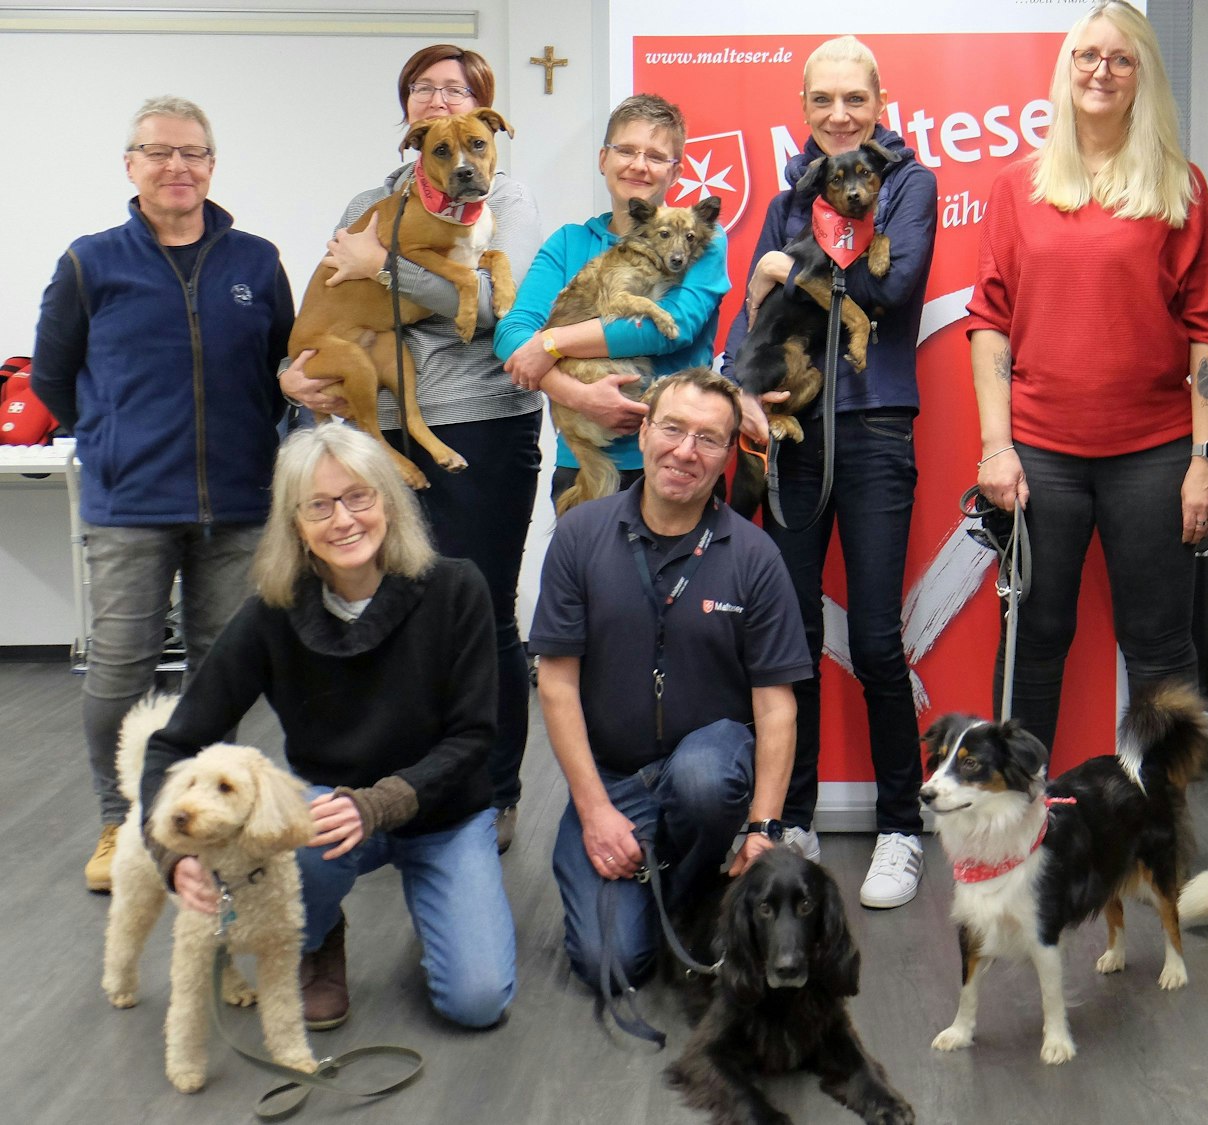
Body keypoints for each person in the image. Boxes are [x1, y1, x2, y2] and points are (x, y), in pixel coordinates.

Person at [140, 422, 512, 1031]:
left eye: (359, 497)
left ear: (389, 503)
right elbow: (176, 743)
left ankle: (439, 909)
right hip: (329, 819)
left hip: (443, 812)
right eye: (319, 505)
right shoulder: (270, 613)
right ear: (295, 525)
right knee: (300, 836)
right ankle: (318, 934)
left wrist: (379, 804)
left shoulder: (457, 589)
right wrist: (170, 854)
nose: (343, 520)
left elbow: (474, 738)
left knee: (477, 1002)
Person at [278, 44, 543, 853]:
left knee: (485, 610)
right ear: (407, 121)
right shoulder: (373, 198)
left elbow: (504, 311)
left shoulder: (509, 199)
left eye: (454, 90)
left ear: (485, 114)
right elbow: (330, 299)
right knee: (393, 608)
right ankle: (404, 793)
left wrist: (389, 265)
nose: (437, 100)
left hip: (483, 420)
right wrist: (291, 378)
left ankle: (493, 791)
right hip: (380, 429)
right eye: (422, 91)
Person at [32, 96, 293, 892]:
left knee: (221, 671)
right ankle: (120, 820)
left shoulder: (256, 261)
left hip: (239, 504)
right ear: (131, 165)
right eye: (158, 152)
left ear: (212, 166)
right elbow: (51, 374)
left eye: (192, 153)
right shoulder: (91, 262)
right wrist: (111, 441)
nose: (176, 166)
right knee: (119, 670)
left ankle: (207, 822)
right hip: (129, 505)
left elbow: (285, 369)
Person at [967, 0, 1208, 754]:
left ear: (1142, 73)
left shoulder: (1183, 187)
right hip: (1040, 450)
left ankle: (1159, 831)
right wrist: (995, 445)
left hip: (1152, 453)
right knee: (1035, 639)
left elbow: (1207, 336)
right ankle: (1014, 825)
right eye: (1087, 55)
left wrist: (1206, 463)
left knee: (1159, 644)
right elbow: (990, 322)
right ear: (1066, 69)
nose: (1101, 71)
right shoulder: (1020, 187)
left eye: (1120, 57)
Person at [719, 35, 939, 908]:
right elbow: (758, 315)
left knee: (879, 639)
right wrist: (743, 375)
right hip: (797, 431)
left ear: (880, 102)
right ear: (803, 108)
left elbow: (895, 288)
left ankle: (899, 826)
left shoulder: (909, 184)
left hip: (878, 427)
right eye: (822, 102)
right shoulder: (785, 198)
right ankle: (795, 816)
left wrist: (790, 265)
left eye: (854, 99)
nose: (839, 115)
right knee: (793, 637)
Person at [529, 369, 811, 987]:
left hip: (707, 764)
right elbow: (556, 685)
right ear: (645, 429)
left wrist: (765, 829)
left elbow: (776, 706)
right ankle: (662, 883)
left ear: (728, 456)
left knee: (705, 775)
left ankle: (687, 892)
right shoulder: (579, 535)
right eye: (673, 428)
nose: (685, 452)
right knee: (610, 966)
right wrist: (595, 809)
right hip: (613, 781)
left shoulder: (755, 556)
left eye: (709, 439)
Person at [496, 94, 730, 507]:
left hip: (680, 460)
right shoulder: (570, 242)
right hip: (585, 461)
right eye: (626, 150)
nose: (639, 165)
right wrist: (577, 396)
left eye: (656, 156)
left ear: (675, 172)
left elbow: (671, 328)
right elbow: (513, 335)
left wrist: (553, 343)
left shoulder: (702, 238)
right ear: (603, 158)